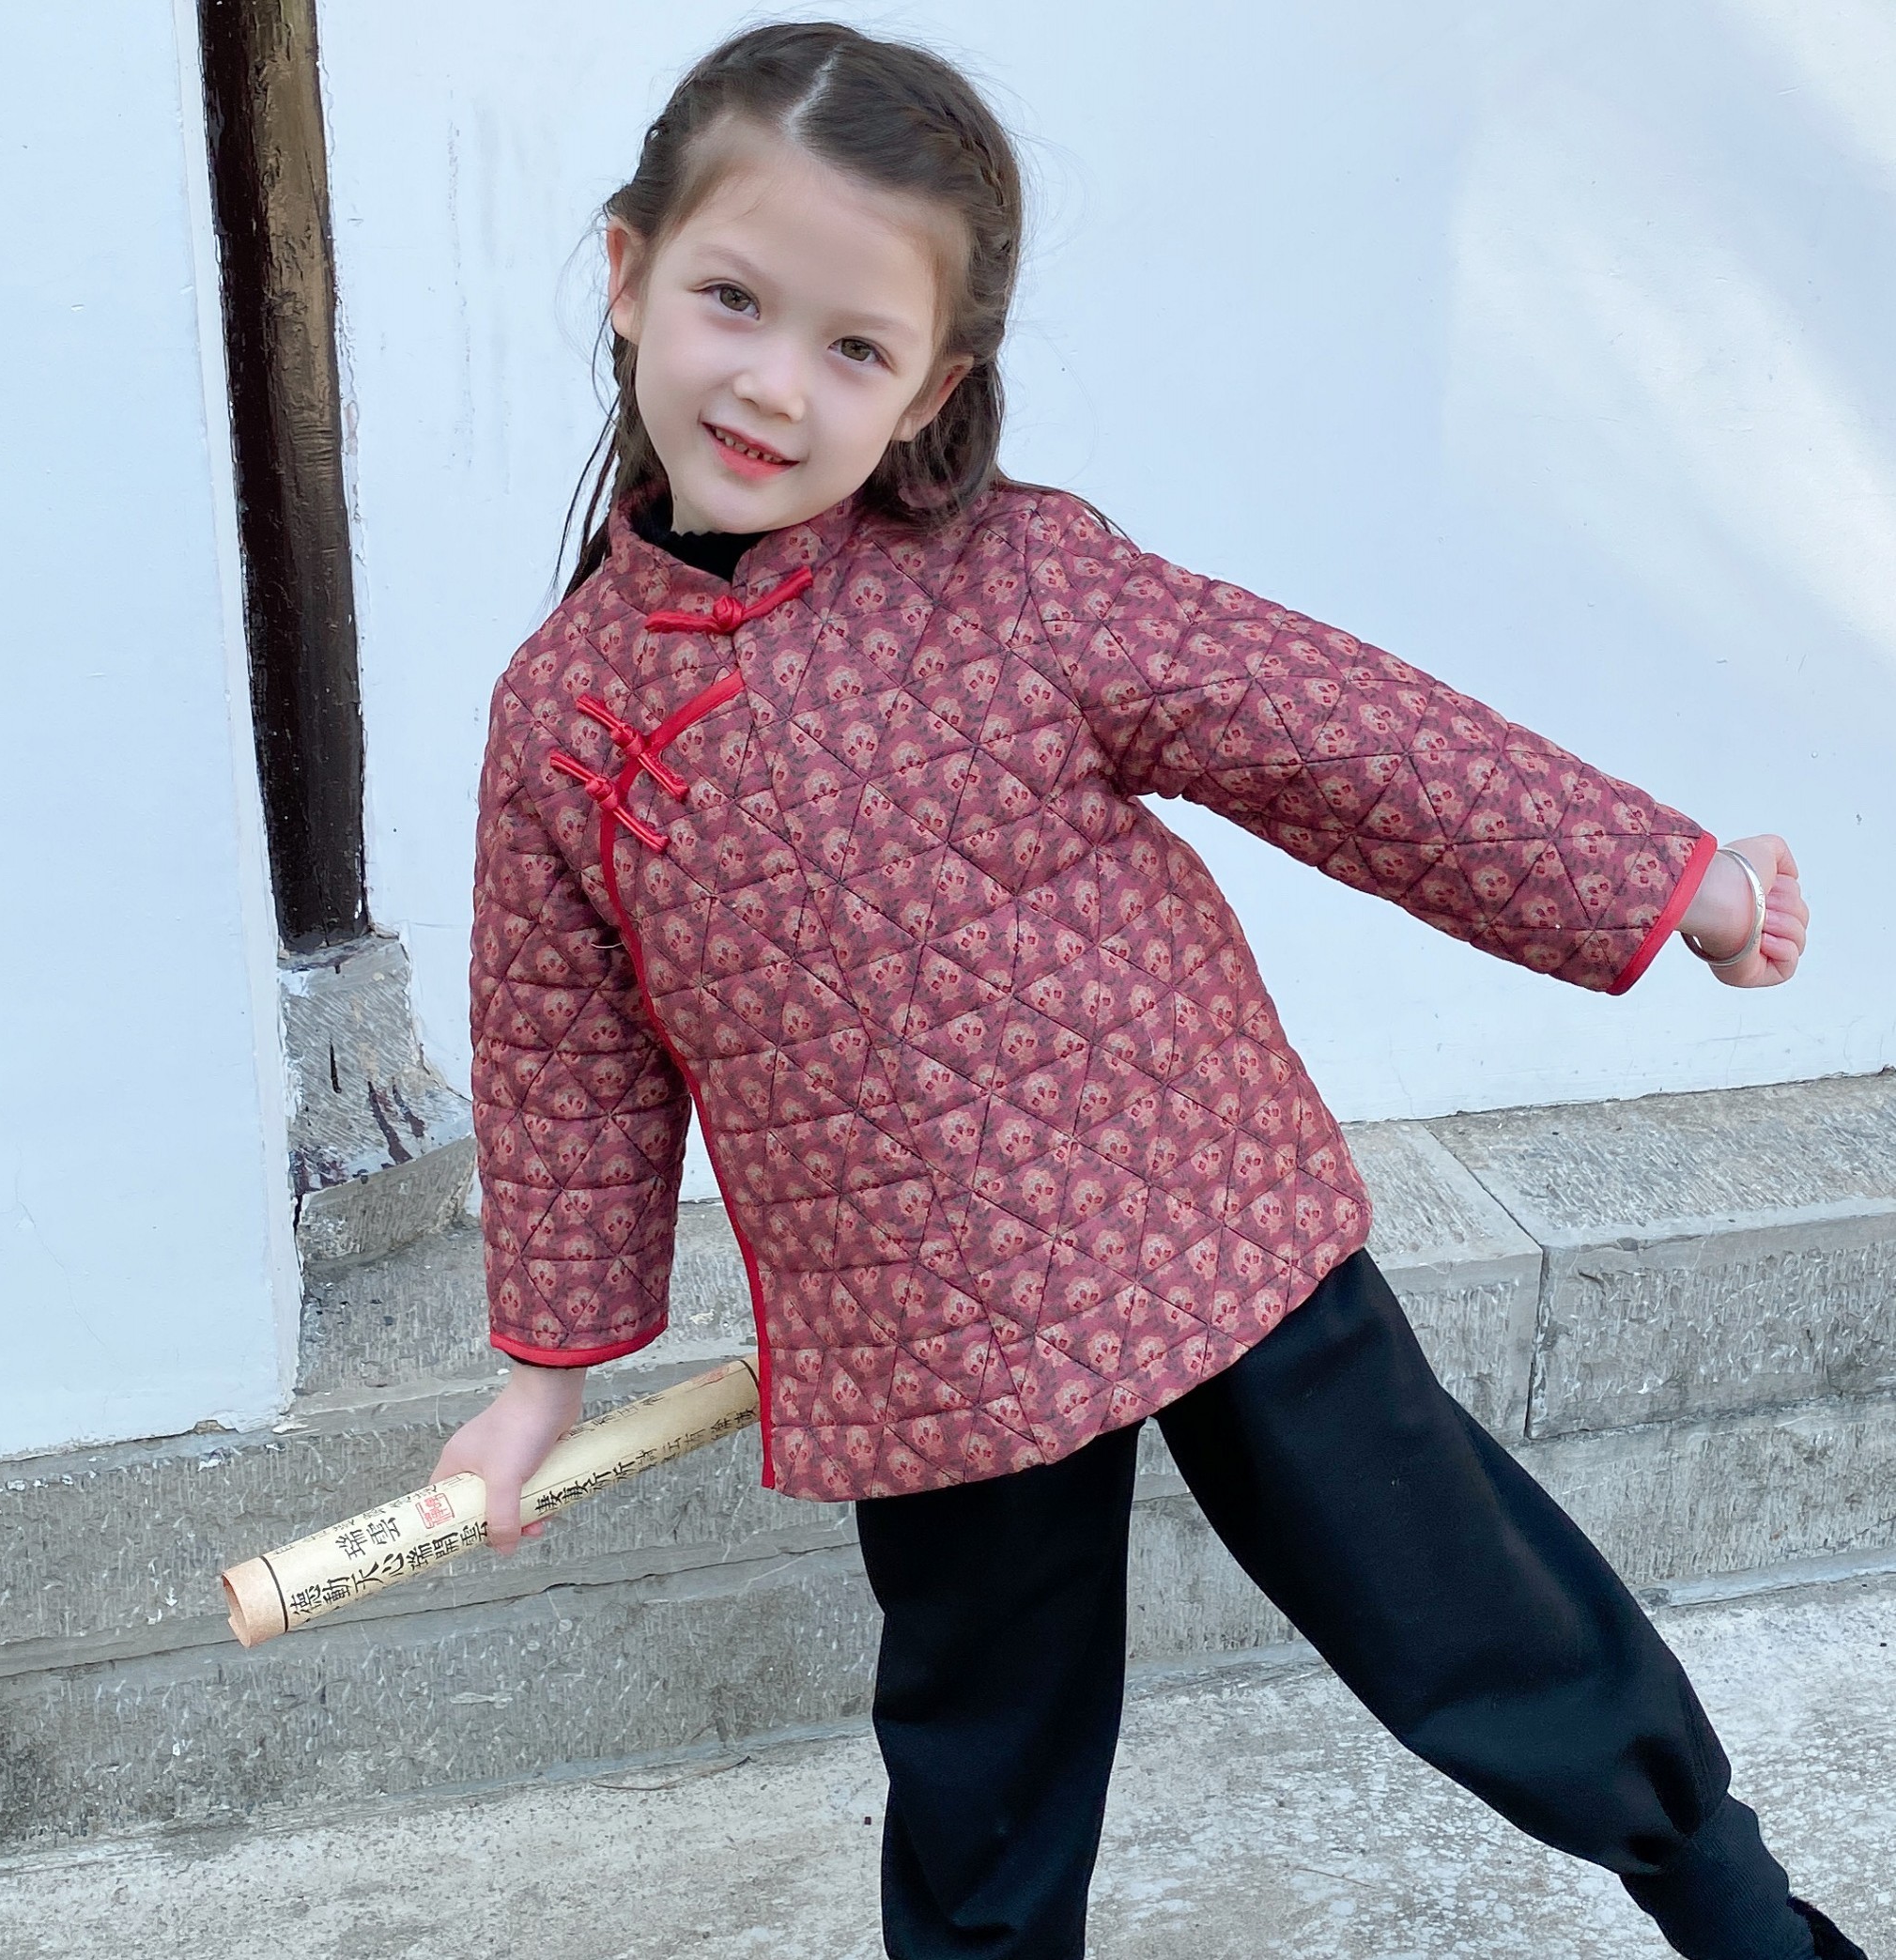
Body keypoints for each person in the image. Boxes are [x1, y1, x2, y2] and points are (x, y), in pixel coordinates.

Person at [433, 23, 1863, 1960]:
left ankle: (1742, 1914)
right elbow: (564, 1065)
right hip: (921, 1337)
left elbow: (1339, 734)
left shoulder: (1021, 585)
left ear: (933, 384)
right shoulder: (562, 720)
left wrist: (1660, 875)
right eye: (731, 302)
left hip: (1205, 1216)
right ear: (628, 273)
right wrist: (536, 1389)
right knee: (978, 1761)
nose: (773, 385)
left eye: (852, 347)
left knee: (1464, 1617)